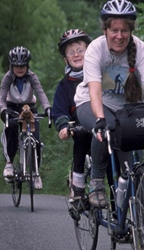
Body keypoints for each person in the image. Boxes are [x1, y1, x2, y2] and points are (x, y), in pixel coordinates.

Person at [74, 0, 144, 207]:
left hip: (127, 110)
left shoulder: (141, 49)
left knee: (134, 157)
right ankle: (96, 183)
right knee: (106, 127)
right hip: (90, 103)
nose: (119, 36)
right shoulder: (95, 50)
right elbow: (95, 90)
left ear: (130, 30)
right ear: (105, 30)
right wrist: (99, 119)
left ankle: (130, 209)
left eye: (124, 30)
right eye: (114, 30)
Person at [0, 46, 52, 189]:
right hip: (11, 107)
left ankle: (35, 173)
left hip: (29, 107)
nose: (20, 68)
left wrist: (47, 108)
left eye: (23, 65)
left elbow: (40, 93)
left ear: (27, 65)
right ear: (11, 65)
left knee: (36, 140)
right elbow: (1, 98)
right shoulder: (8, 77)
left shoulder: (32, 76)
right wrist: (3, 110)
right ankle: (9, 163)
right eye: (16, 66)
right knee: (11, 130)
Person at [52, 29, 92, 204]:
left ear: (89, 51)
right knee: (81, 136)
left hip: (103, 125)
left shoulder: (101, 76)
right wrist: (63, 126)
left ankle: (118, 206)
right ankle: (77, 183)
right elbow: (59, 111)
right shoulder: (64, 86)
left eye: (80, 50)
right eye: (71, 52)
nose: (76, 54)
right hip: (81, 127)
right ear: (65, 58)